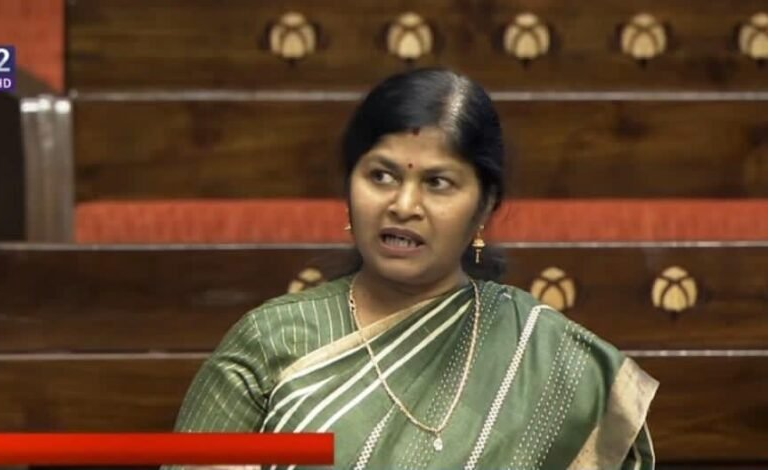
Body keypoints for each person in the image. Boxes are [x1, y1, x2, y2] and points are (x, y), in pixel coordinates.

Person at [168, 67, 659, 469]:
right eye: (381, 176)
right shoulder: (271, 341)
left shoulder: (552, 362)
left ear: (485, 206)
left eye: (438, 183)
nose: (403, 205)